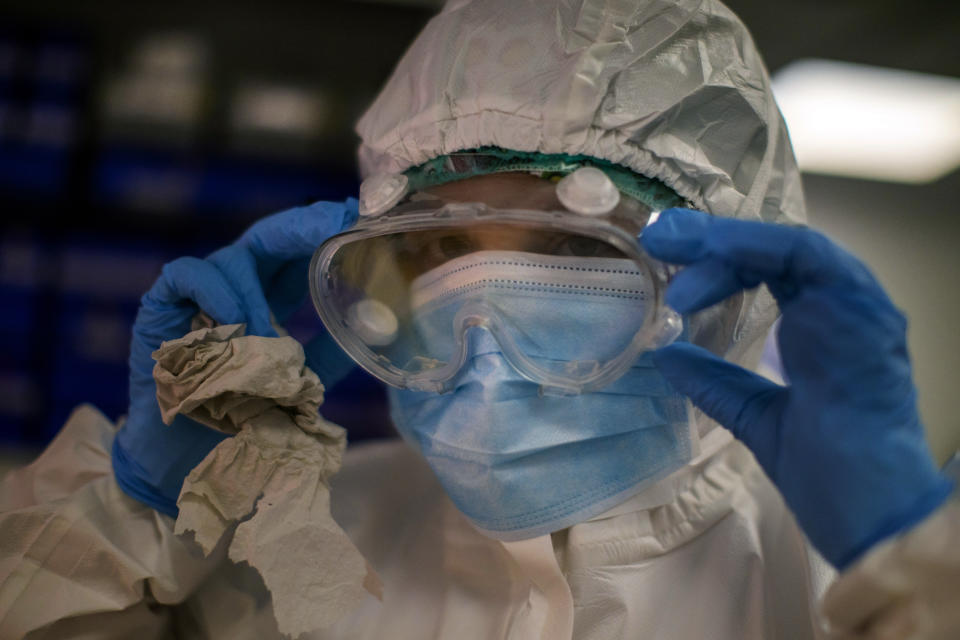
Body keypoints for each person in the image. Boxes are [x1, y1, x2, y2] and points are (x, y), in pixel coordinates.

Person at [1, 0, 957, 638]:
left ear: (733, 281)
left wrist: (911, 567)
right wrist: (128, 513)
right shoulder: (287, 556)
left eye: (577, 251)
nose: (487, 332)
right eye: (439, 253)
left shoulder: (848, 581)